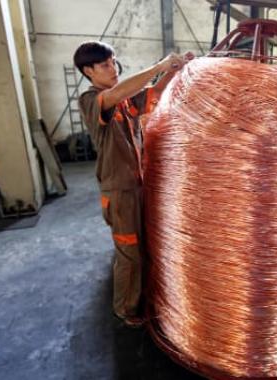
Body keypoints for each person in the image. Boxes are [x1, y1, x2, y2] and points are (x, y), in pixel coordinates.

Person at [73, 41, 192, 327]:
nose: (112, 68)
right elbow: (120, 92)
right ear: (88, 71)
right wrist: (161, 65)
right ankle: (125, 309)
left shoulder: (125, 101)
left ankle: (139, 296)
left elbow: (154, 92)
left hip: (137, 185)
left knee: (144, 246)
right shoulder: (91, 101)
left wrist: (176, 70)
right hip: (120, 191)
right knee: (130, 253)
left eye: (113, 62)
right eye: (104, 65)